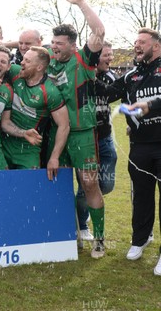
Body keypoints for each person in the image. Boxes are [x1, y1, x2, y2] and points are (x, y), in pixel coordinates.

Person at [46, 0, 107, 258]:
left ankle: (100, 239)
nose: (54, 46)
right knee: (55, 184)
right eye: (53, 42)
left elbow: (99, 32)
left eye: (59, 43)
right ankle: (65, 236)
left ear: (72, 45)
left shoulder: (83, 60)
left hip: (82, 134)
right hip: (55, 133)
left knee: (89, 184)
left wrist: (80, 2)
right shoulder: (47, 63)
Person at [96, 28, 161, 272]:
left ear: (155, 45)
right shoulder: (131, 75)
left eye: (142, 42)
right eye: (135, 42)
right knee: (142, 195)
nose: (136, 46)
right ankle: (140, 239)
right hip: (140, 146)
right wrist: (89, 71)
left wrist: (150, 104)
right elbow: (106, 93)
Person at [1, 46, 69, 180]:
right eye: (23, 59)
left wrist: (54, 158)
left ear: (39, 67)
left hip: (29, 148)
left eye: (27, 61)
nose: (22, 63)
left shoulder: (50, 92)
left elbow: (64, 125)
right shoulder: (16, 72)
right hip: (4, 144)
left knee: (29, 189)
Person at [75, 41, 117, 245]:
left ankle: (93, 203)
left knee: (106, 184)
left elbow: (112, 93)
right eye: (106, 55)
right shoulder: (79, 75)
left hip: (105, 138)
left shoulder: (110, 76)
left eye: (111, 55)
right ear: (94, 57)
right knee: (85, 188)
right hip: (84, 140)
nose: (110, 59)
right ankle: (82, 225)